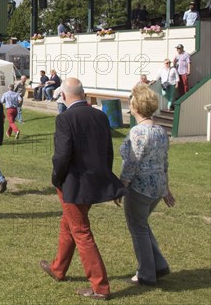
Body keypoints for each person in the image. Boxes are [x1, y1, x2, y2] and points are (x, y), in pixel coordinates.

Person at [39, 78, 126, 301]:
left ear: (65, 96)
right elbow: (108, 151)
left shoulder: (65, 119)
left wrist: (56, 179)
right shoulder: (100, 116)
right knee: (69, 223)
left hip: (74, 183)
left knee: (81, 231)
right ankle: (58, 268)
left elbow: (61, 155)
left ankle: (100, 286)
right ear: (84, 94)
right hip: (93, 180)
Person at [119, 85, 175, 286]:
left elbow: (131, 164)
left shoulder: (137, 132)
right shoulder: (161, 131)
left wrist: (121, 187)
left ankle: (145, 274)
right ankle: (159, 265)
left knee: (138, 228)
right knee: (142, 224)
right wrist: (166, 188)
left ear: (135, 106)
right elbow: (164, 161)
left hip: (140, 188)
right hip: (157, 188)